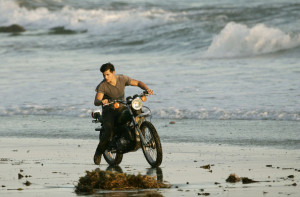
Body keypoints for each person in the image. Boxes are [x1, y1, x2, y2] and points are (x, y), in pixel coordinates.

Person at [93, 62, 153, 165]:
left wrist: (146, 89)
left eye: (108, 74)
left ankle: (136, 135)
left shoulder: (122, 79)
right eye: (104, 75)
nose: (106, 77)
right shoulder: (102, 86)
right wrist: (102, 101)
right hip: (109, 111)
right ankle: (98, 152)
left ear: (113, 72)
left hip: (121, 107)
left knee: (136, 111)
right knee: (109, 131)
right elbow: (96, 101)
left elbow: (138, 83)